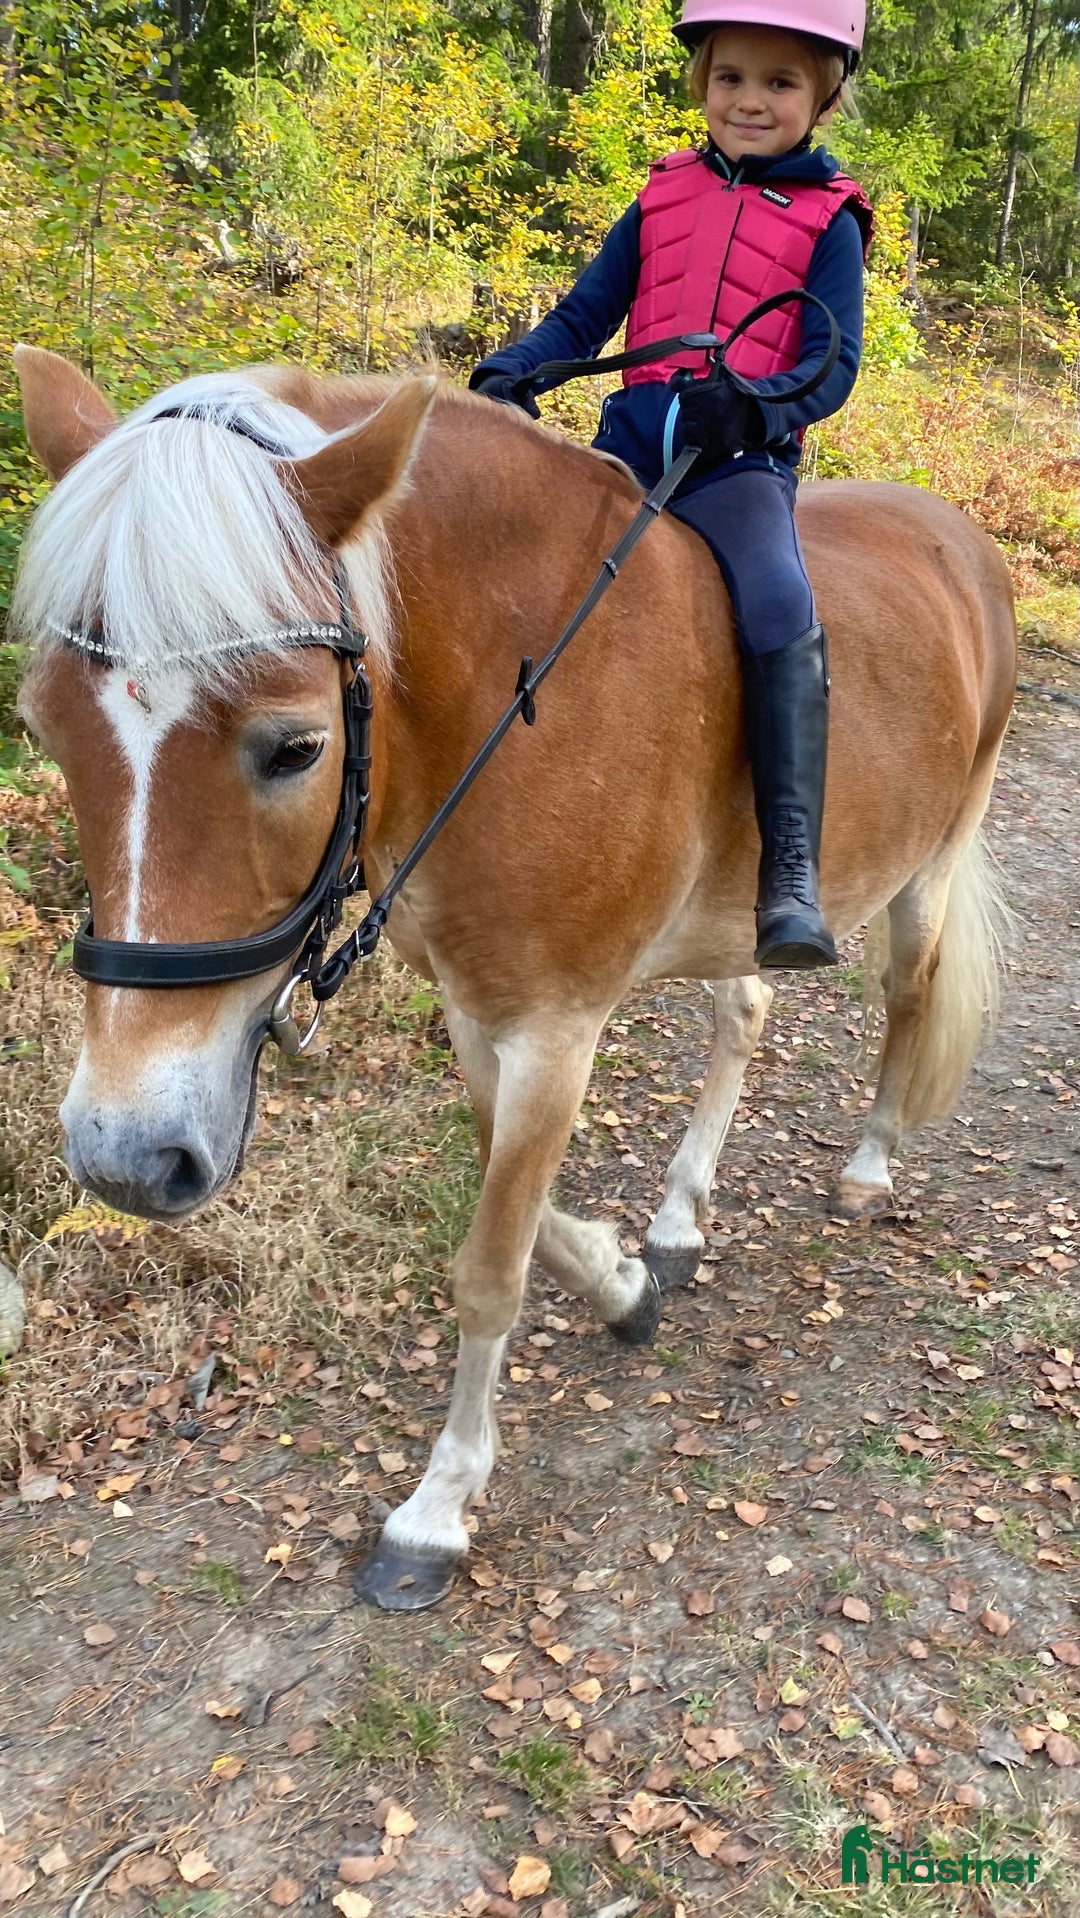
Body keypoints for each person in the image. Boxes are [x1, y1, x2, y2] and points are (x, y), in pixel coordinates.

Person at [469, 1, 873, 969]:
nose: (749, 100)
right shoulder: (661, 195)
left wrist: (756, 407)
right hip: (626, 446)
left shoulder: (832, 218)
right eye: (730, 77)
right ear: (703, 84)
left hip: (735, 464)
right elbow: (584, 315)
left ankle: (790, 870)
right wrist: (514, 370)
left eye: (779, 82)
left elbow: (834, 363)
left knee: (778, 601)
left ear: (822, 99)